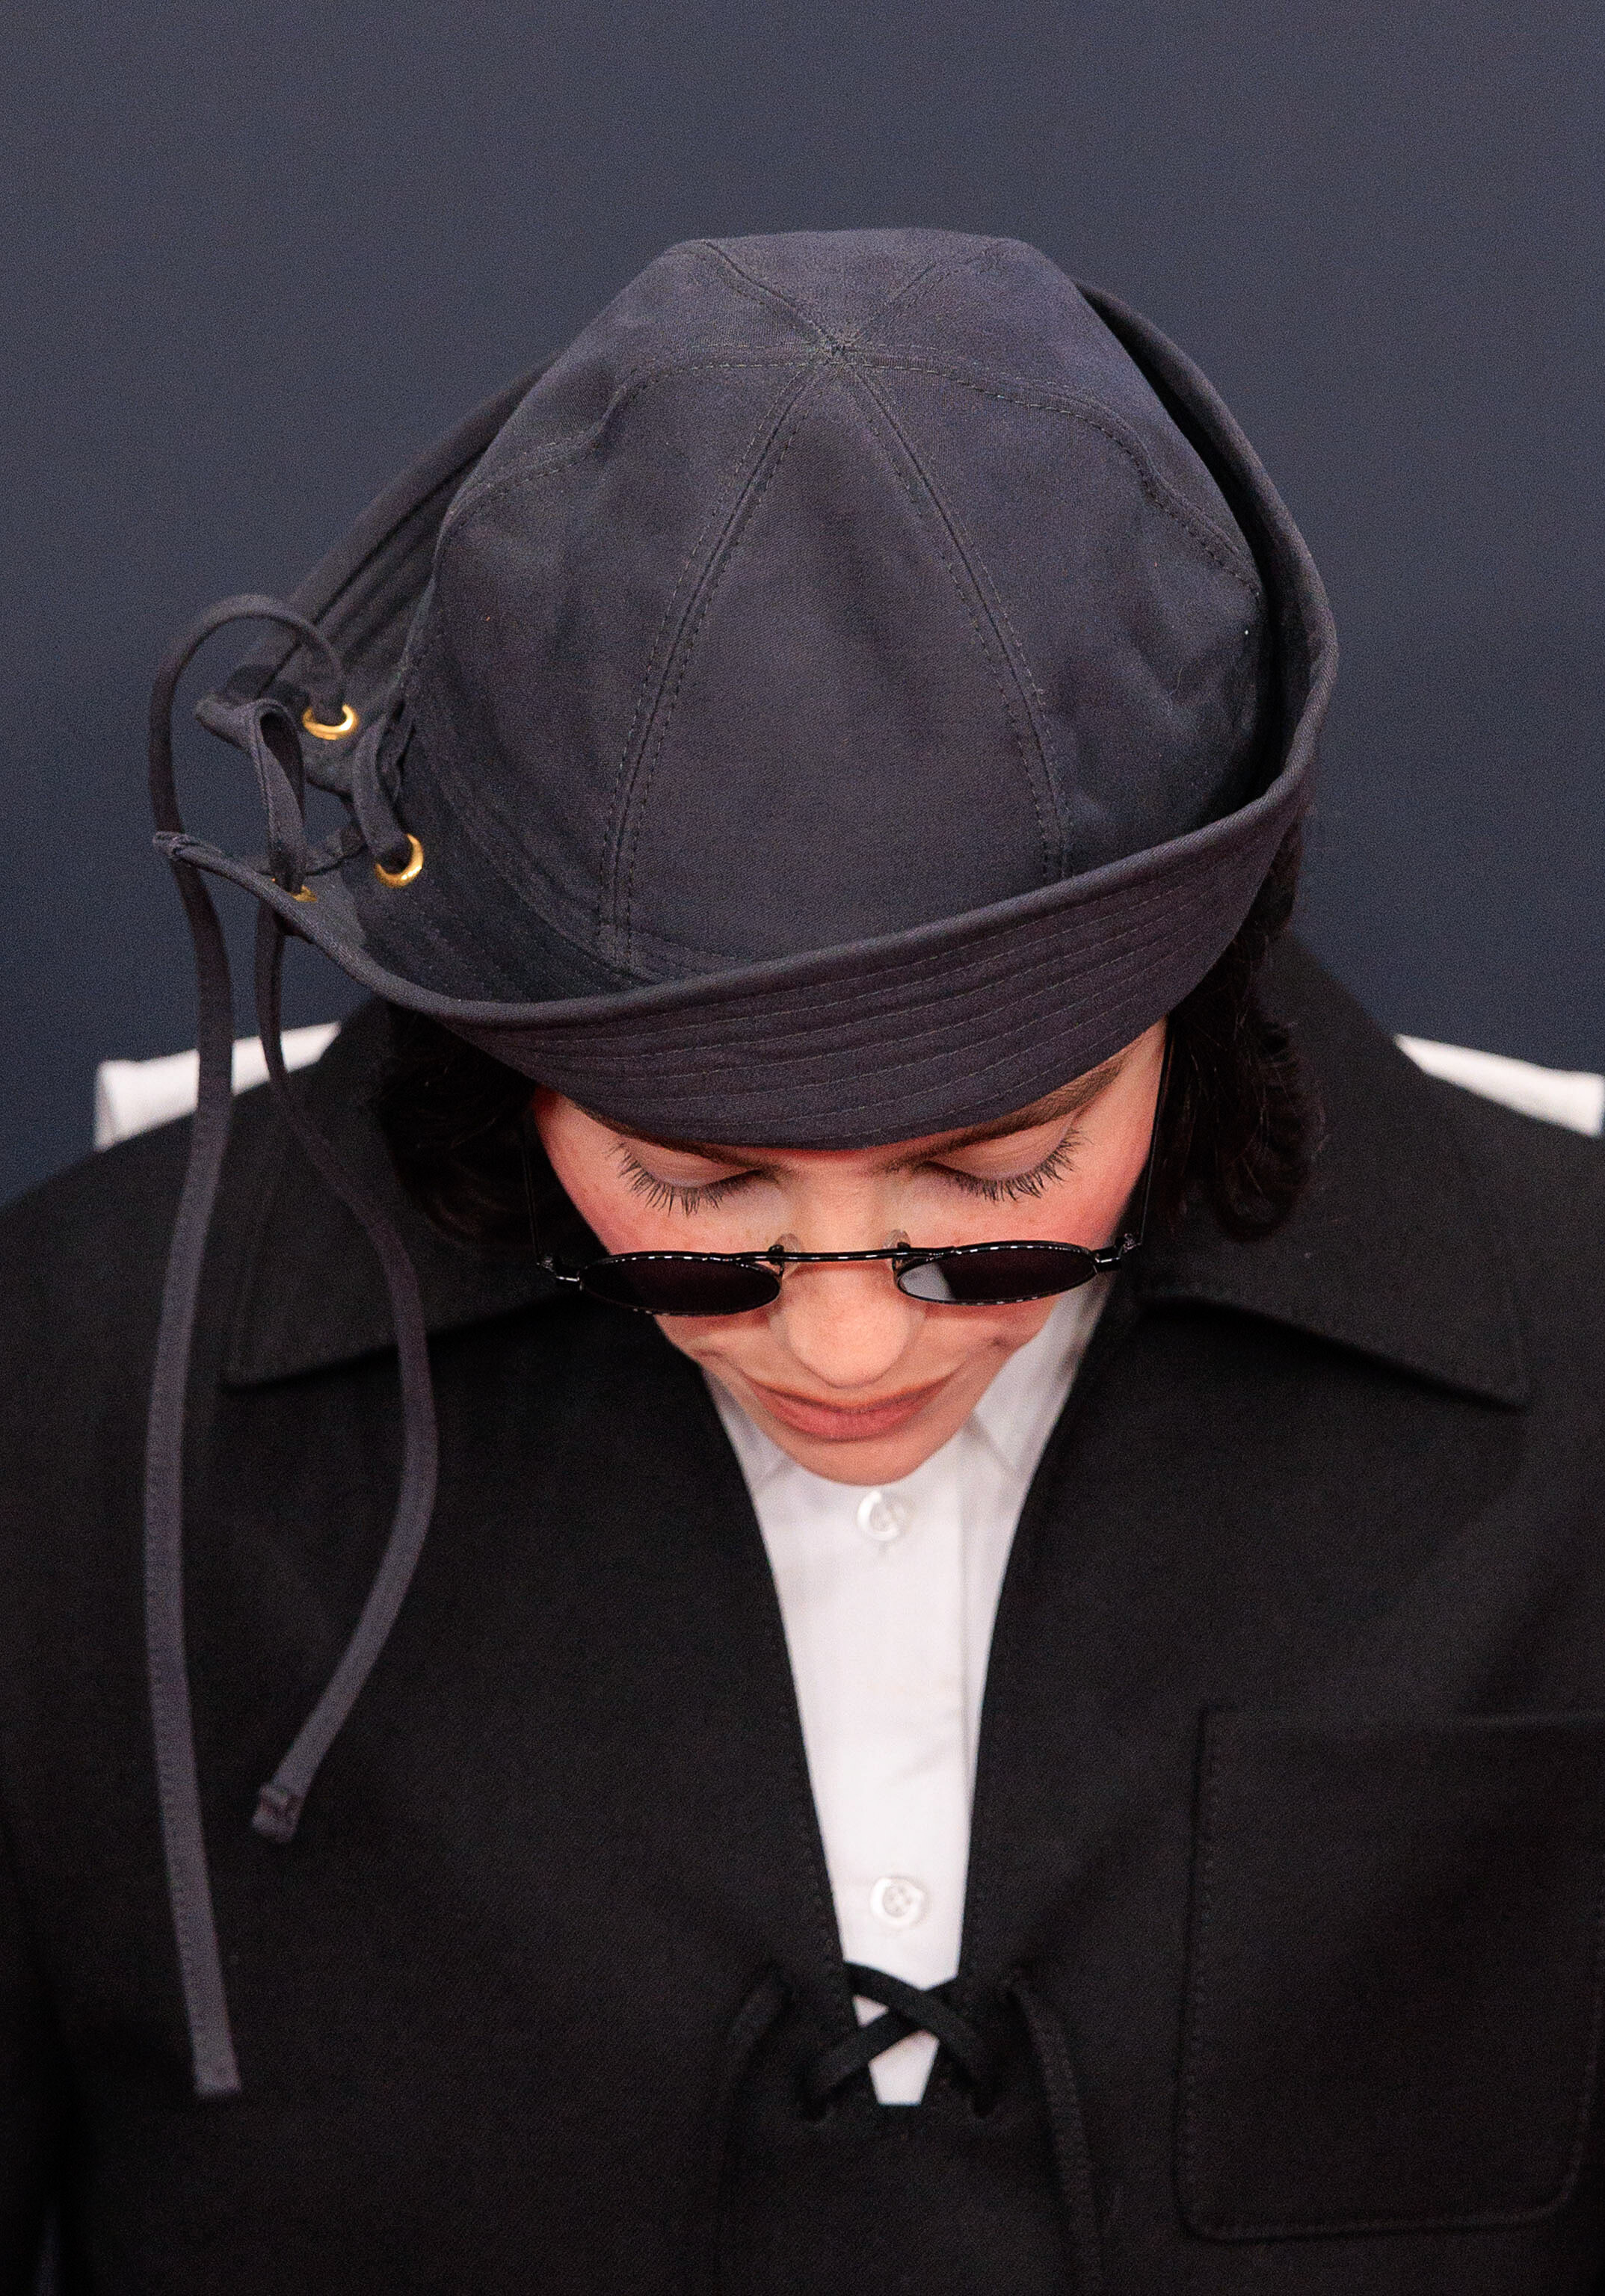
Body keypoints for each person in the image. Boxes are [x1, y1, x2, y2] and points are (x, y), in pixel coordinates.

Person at [1, 229, 1601, 2296]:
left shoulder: (1576, 1352)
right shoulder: (65, 1402)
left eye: (995, 1170)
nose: (843, 1340)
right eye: (696, 1187)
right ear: (509, 1064)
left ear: (1192, 1009)